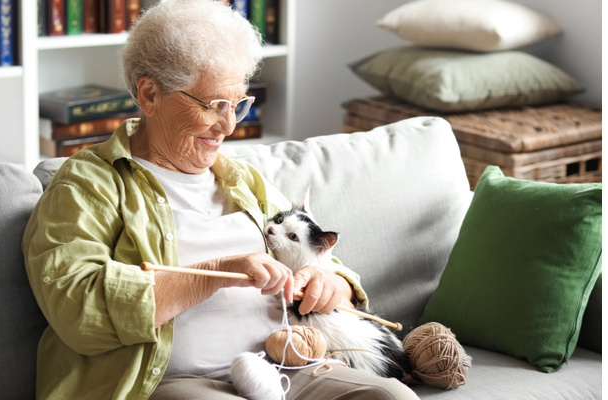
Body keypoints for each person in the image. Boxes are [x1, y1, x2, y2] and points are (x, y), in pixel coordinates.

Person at [21, 1, 420, 399]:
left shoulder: (242, 178)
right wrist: (215, 272)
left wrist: (328, 282)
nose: (229, 125)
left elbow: (326, 265)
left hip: (287, 365)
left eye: (239, 105)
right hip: (174, 383)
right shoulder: (87, 185)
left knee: (393, 397)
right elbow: (77, 308)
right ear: (149, 94)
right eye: (214, 105)